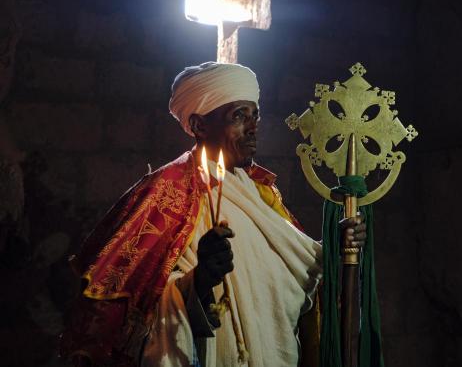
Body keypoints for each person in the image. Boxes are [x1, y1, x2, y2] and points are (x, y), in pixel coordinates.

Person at [60, 62, 366, 367]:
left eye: (255, 115)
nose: (253, 127)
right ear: (199, 125)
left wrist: (336, 252)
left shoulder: (262, 194)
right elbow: (137, 313)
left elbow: (295, 284)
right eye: (239, 116)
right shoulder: (165, 192)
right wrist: (200, 281)